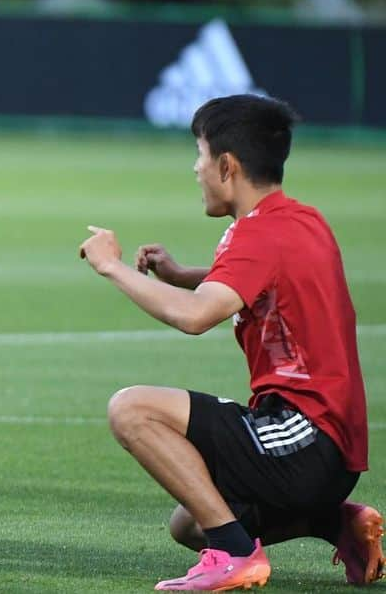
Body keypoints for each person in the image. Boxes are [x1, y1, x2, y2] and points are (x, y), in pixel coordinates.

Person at [79, 94, 383, 591]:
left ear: (226, 165)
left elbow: (196, 317)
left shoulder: (255, 237)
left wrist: (110, 266)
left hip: (303, 438)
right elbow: (259, 282)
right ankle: (336, 522)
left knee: (132, 410)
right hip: (333, 449)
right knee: (191, 523)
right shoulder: (301, 220)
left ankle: (238, 556)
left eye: (199, 155)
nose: (195, 169)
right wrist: (181, 275)